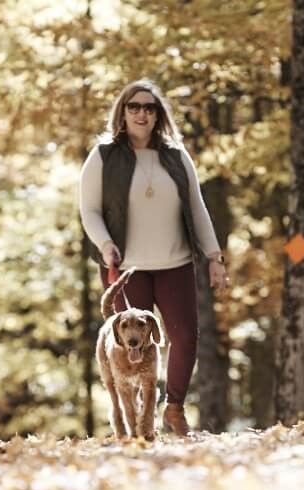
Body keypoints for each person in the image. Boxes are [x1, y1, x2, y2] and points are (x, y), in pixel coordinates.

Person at [79, 79, 228, 437]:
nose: (142, 113)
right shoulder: (103, 156)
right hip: (126, 268)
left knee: (185, 337)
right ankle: (134, 423)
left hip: (175, 263)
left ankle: (173, 408)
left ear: (158, 114)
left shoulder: (176, 156)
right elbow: (89, 209)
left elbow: (197, 207)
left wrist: (214, 256)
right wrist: (104, 245)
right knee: (127, 348)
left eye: (149, 107)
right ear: (123, 112)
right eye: (135, 107)